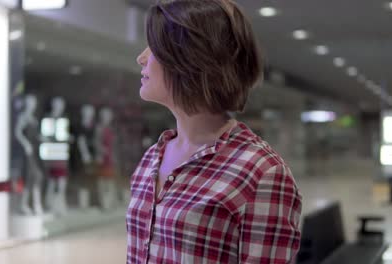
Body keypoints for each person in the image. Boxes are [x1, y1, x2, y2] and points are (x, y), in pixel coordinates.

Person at [126, 0, 302, 263]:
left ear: (188, 57)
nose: (141, 58)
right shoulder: (152, 158)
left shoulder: (262, 172)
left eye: (154, 48)